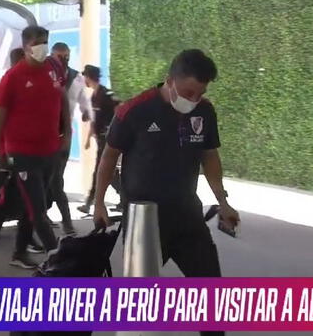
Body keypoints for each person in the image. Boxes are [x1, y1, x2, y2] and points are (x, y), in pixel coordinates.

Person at [93, 50, 240, 306]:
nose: (193, 99)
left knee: (212, 296)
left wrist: (223, 201)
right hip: (144, 220)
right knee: (138, 305)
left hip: (187, 217)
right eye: (187, 93)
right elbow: (108, 158)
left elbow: (210, 157)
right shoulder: (134, 110)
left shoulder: (204, 112)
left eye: (200, 94)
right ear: (169, 80)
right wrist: (99, 202)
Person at [0, 26, 71, 269]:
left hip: (50, 150)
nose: (43, 46)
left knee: (36, 204)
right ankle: (60, 259)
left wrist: (68, 131)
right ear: (25, 46)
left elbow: (62, 98)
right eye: (38, 42)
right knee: (38, 211)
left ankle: (19, 252)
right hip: (23, 154)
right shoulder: (13, 77)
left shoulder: (53, 68)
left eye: (45, 41)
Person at [0, 48, 44, 254]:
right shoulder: (5, 86)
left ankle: (5, 230)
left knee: (21, 193)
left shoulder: (27, 86)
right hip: (9, 150)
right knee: (19, 193)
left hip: (26, 150)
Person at [44, 42, 93, 235]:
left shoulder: (76, 78)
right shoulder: (46, 76)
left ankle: (62, 221)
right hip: (46, 133)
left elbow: (84, 101)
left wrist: (87, 113)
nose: (64, 60)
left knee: (55, 179)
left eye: (66, 56)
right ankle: (54, 218)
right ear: (51, 56)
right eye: (59, 56)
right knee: (49, 180)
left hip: (64, 134)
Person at [77, 65, 122, 214]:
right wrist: (89, 138)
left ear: (89, 77)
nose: (84, 79)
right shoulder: (94, 96)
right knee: (110, 173)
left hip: (108, 139)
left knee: (99, 171)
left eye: (85, 76)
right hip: (99, 140)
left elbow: (120, 112)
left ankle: (89, 203)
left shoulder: (107, 94)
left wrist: (114, 132)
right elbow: (93, 119)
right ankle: (125, 198)